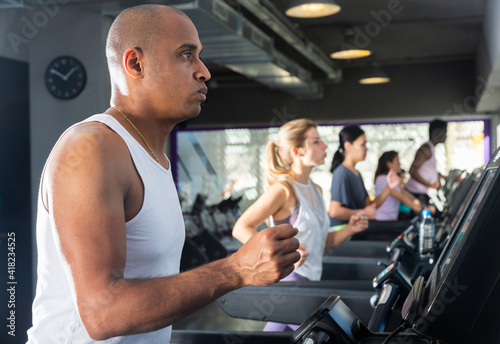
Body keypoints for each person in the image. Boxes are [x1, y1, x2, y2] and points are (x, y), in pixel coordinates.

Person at [27, 5, 300, 343]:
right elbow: (102, 312)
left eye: (199, 56)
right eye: (187, 55)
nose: (203, 72)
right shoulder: (92, 148)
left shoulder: (151, 155)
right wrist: (237, 269)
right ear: (135, 64)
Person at [232, 119, 369, 331]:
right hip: (290, 284)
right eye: (316, 141)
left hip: (310, 282)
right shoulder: (284, 190)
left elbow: (324, 242)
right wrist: (278, 255)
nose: (324, 146)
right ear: (297, 152)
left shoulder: (315, 189)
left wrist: (350, 228)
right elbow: (241, 227)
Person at [329, 125, 400, 230]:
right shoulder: (341, 173)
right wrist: (363, 213)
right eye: (362, 144)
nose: (366, 149)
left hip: (356, 229)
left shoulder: (356, 173)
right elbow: (334, 211)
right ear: (348, 146)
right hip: (343, 231)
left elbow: (369, 206)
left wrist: (389, 187)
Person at [406, 119, 448, 207]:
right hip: (416, 193)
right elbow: (412, 170)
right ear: (436, 133)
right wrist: (430, 185)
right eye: (445, 132)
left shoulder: (431, 148)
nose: (446, 136)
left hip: (421, 193)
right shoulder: (426, 148)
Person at [374, 151, 422, 221]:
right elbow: (400, 196)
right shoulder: (383, 179)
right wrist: (417, 207)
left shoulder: (392, 180)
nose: (400, 164)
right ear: (389, 164)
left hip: (389, 220)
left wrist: (419, 205)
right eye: (397, 161)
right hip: (382, 221)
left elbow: (403, 193)